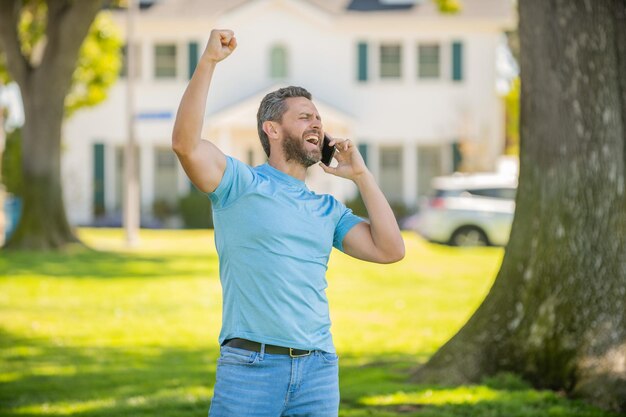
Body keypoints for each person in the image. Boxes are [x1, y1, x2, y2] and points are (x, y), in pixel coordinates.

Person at [172, 29, 405, 417]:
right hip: (250, 369)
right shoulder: (240, 184)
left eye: (318, 118)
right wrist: (208, 62)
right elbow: (185, 144)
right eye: (304, 117)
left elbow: (391, 250)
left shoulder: (327, 210)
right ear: (272, 129)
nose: (317, 124)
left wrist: (362, 176)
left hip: (318, 371)